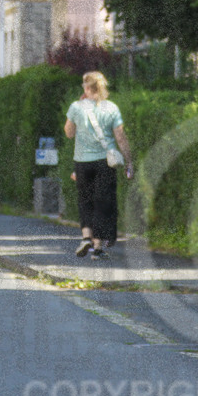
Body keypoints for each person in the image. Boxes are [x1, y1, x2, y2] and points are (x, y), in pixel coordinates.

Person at [64, 71, 134, 260]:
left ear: (87, 88)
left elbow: (69, 133)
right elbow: (120, 137)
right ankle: (97, 247)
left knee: (85, 200)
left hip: (82, 162)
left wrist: (76, 115)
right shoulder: (111, 108)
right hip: (105, 162)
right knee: (103, 203)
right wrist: (129, 161)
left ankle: (86, 237)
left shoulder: (76, 107)